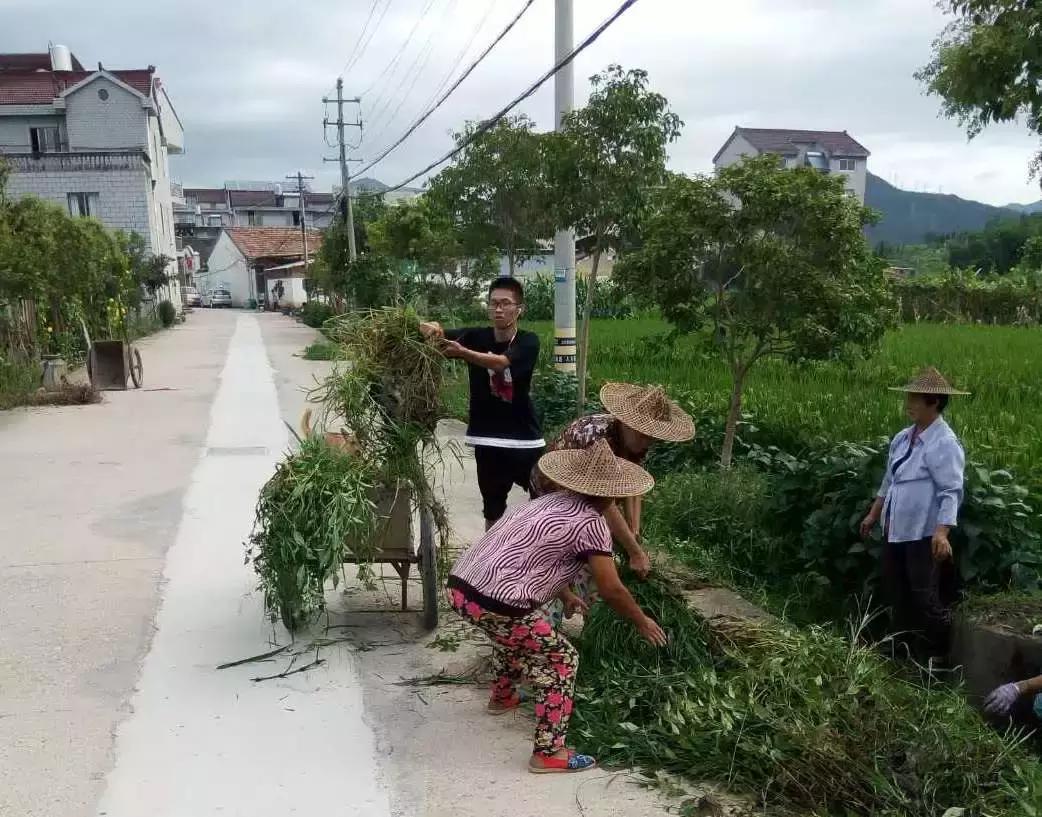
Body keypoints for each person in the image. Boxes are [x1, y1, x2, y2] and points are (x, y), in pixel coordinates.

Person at [447, 439, 667, 774]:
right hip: (495, 601)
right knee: (562, 659)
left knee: (517, 633)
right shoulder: (592, 524)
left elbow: (535, 556)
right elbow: (611, 589)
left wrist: (565, 595)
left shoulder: (548, 502)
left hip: (462, 587)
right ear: (612, 495)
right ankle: (549, 752)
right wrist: (641, 621)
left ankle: (503, 696)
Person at [531, 383, 695, 627]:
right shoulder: (598, 440)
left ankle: (592, 621)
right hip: (555, 492)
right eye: (643, 435)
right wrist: (634, 551)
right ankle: (547, 625)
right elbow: (603, 502)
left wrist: (634, 530)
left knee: (597, 556)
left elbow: (632, 486)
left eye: (652, 437)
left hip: (592, 498)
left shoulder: (636, 443)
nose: (647, 442)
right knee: (566, 554)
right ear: (625, 422)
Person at [860, 366, 968, 662]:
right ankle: (900, 649)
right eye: (908, 397)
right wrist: (874, 514)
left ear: (934, 402)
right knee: (897, 590)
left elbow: (951, 491)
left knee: (924, 595)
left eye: (915, 399)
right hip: (896, 528)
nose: (908, 404)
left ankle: (936, 656)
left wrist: (942, 532)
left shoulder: (944, 443)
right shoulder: (903, 437)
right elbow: (889, 480)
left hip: (923, 533)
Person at [421, 277, 543, 530]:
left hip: (524, 441)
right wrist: (430, 327)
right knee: (492, 509)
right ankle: (492, 553)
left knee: (544, 500)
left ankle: (539, 548)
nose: (498, 309)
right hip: (487, 439)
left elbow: (501, 363)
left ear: (519, 309)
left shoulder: (528, 341)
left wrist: (463, 353)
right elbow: (439, 335)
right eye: (493, 303)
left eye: (505, 303)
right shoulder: (476, 336)